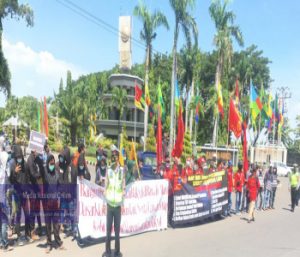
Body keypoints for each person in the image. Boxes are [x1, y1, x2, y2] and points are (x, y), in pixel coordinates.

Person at [102, 149, 125, 257]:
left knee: (117, 231)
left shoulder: (122, 170)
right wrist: (103, 204)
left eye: (116, 156)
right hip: (110, 205)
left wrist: (123, 204)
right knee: (108, 230)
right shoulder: (109, 170)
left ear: (118, 158)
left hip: (118, 206)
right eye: (113, 156)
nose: (114, 158)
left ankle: (117, 251)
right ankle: (107, 251)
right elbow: (105, 187)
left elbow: (123, 188)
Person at [9, 144, 31, 246]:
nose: (19, 159)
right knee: (18, 215)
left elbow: (28, 178)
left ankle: (28, 234)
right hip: (17, 194)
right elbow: (11, 181)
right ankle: (18, 236)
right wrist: (15, 172)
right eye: (17, 157)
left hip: (24, 193)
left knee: (27, 214)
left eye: (20, 157)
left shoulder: (25, 164)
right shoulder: (13, 165)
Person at [44, 154, 65, 253]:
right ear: (48, 163)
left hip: (55, 203)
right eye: (50, 163)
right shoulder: (45, 173)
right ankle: (49, 244)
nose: (52, 165)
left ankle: (58, 242)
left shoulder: (56, 174)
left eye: (53, 163)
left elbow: (60, 186)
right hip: (47, 203)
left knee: (56, 224)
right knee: (48, 225)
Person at [26, 150, 43, 240]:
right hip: (32, 189)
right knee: (33, 210)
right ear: (34, 150)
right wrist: (40, 175)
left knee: (36, 210)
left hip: (35, 188)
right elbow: (33, 174)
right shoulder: (30, 159)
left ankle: (34, 230)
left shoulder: (34, 158)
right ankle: (31, 233)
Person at [0, 144, 13, 251]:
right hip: (2, 201)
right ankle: (4, 244)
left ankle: (1, 242)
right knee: (4, 222)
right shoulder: (3, 175)